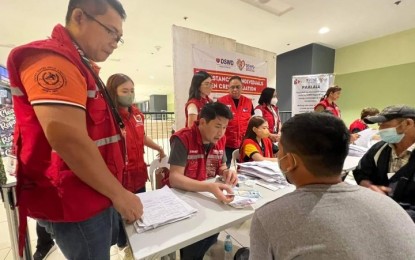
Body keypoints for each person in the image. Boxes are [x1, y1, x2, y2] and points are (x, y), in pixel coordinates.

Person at [6, 1, 143, 259]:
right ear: (80, 17)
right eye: (111, 31)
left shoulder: (82, 67)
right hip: (76, 201)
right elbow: (67, 138)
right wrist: (120, 195)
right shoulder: (53, 60)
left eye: (119, 38)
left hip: (93, 193)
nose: (115, 42)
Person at [250, 112, 415, 259]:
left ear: (290, 161)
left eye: (280, 150)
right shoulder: (391, 206)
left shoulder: (269, 217)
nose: (277, 154)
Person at [167, 102, 238, 260]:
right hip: (183, 201)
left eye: (225, 127)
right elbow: (175, 178)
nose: (221, 133)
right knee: (193, 246)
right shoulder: (183, 138)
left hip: (208, 199)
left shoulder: (220, 139)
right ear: (203, 121)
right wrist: (208, 186)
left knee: (211, 236)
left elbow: (221, 165)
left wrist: (227, 172)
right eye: (218, 126)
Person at [106, 73, 166, 257]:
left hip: (138, 174)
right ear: (113, 92)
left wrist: (158, 147)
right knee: (118, 219)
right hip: (118, 178)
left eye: (132, 90)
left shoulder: (137, 114)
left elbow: (141, 136)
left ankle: (135, 247)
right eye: (125, 90)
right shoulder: (107, 116)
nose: (130, 94)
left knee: (137, 214)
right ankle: (122, 244)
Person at [353, 105, 415, 221]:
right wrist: (367, 185)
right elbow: (361, 171)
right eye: (379, 125)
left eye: (385, 124)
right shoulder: (379, 149)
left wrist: (397, 216)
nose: (380, 129)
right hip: (378, 218)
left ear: (408, 124)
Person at [217, 75, 253, 167]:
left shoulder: (248, 102)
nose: (235, 89)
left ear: (242, 87)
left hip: (243, 144)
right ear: (228, 88)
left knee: (244, 169)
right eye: (232, 87)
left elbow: (251, 121)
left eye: (238, 87)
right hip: (226, 144)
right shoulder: (221, 101)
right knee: (228, 169)